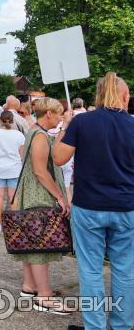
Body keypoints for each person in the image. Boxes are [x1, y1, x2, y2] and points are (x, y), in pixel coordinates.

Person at [53, 72, 134, 330]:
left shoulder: (82, 122)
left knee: (90, 271)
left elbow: (58, 158)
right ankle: (122, 325)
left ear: (97, 97)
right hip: (127, 207)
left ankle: (95, 326)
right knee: (125, 270)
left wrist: (65, 125)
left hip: (88, 207)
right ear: (125, 96)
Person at [11, 97, 71, 314]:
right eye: (59, 113)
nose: (60, 116)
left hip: (32, 194)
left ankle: (29, 287)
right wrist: (60, 197)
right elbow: (40, 170)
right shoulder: (39, 136)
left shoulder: (36, 132)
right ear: (49, 114)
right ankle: (44, 296)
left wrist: (65, 128)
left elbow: (52, 151)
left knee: (32, 242)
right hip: (39, 196)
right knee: (41, 246)